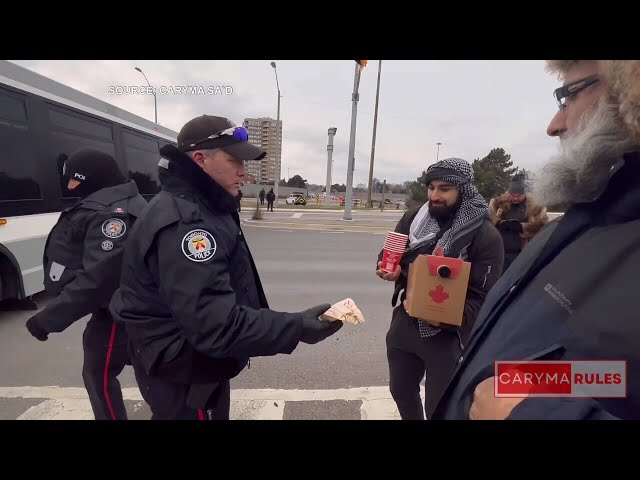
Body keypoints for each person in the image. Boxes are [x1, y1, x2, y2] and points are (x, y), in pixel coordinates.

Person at [431, 60, 640, 420]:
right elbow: (606, 375)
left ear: (629, 91)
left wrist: (532, 413)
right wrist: (516, 387)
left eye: (567, 96)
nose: (554, 125)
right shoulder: (598, 214)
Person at [109, 114, 342, 420]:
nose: (244, 173)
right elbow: (214, 325)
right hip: (185, 371)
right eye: (235, 161)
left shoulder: (201, 203)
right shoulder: (188, 223)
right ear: (201, 159)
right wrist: (296, 327)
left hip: (190, 361)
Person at [376, 158, 504, 420]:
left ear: (463, 190)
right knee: (400, 391)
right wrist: (392, 269)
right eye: (431, 187)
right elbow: (391, 252)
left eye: (444, 189)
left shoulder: (484, 235)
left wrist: (444, 318)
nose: (435, 195)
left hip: (448, 337)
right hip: (406, 322)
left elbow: (484, 298)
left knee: (440, 408)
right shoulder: (415, 219)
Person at [25, 148, 147, 420]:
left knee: (99, 373)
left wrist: (49, 318)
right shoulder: (120, 204)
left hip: (118, 312)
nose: (69, 187)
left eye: (75, 181)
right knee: (146, 372)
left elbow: (100, 278)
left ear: (96, 178)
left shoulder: (113, 216)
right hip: (126, 306)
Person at [488, 174, 549, 273]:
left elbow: (542, 224)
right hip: (500, 251)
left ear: (525, 194)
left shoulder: (535, 208)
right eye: (513, 196)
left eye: (519, 196)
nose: (515, 198)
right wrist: (499, 223)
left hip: (520, 253)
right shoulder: (499, 204)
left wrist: (522, 227)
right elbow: (490, 219)